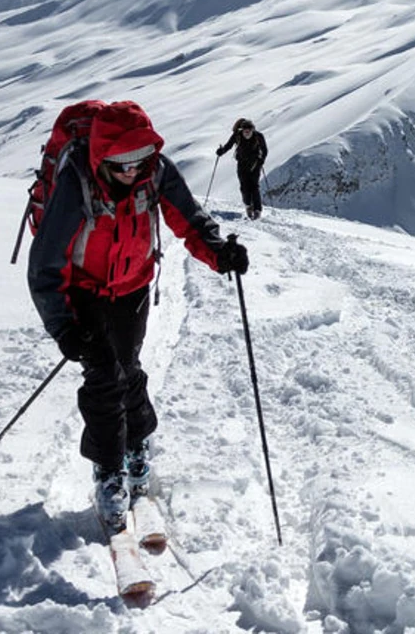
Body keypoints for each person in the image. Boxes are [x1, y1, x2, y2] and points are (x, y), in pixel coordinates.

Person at [28, 100, 249, 531]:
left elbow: (189, 219)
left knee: (126, 368)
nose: (132, 171)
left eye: (139, 159)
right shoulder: (77, 182)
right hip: (84, 290)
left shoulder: (156, 172)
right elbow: (44, 267)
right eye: (122, 163)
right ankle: (109, 472)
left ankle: (136, 444)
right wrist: (65, 330)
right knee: (103, 376)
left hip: (132, 288)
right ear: (101, 157)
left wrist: (219, 253)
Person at [217, 117, 269, 219]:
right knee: (244, 187)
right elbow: (229, 145)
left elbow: (264, 150)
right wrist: (221, 151)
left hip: (255, 164)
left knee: (254, 187)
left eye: (248, 130)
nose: (247, 133)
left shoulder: (258, 136)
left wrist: (261, 161)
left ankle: (257, 210)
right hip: (242, 164)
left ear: (252, 130)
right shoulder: (237, 136)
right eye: (245, 130)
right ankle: (249, 205)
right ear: (242, 130)